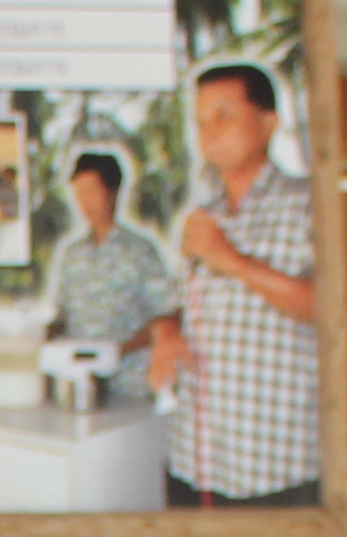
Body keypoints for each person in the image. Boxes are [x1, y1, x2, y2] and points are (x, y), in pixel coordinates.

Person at [150, 62, 319, 507]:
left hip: (275, 471)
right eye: (201, 121)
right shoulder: (201, 215)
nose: (209, 133)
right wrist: (166, 334)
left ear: (268, 123)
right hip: (193, 462)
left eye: (224, 116)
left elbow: (327, 309)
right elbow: (172, 304)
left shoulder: (308, 204)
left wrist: (232, 260)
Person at [49, 149, 176, 363]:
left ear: (113, 192)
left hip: (128, 382)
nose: (85, 202)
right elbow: (62, 314)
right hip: (80, 379)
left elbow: (166, 317)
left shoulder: (141, 251)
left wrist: (118, 351)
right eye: (80, 193)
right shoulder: (72, 254)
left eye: (92, 191)